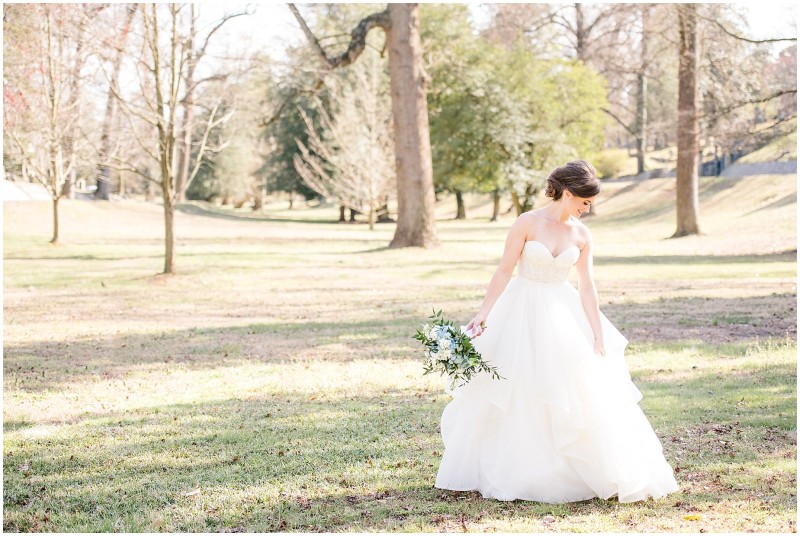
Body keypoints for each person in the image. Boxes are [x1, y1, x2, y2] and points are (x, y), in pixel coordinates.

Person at [435, 160, 680, 503]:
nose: (586, 207)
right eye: (584, 201)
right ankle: (514, 467)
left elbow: (587, 287)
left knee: (571, 390)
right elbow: (504, 271)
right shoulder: (526, 223)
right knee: (516, 386)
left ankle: (570, 471)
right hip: (520, 310)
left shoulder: (582, 234)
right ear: (567, 193)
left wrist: (597, 334)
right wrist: (483, 313)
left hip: (563, 316)